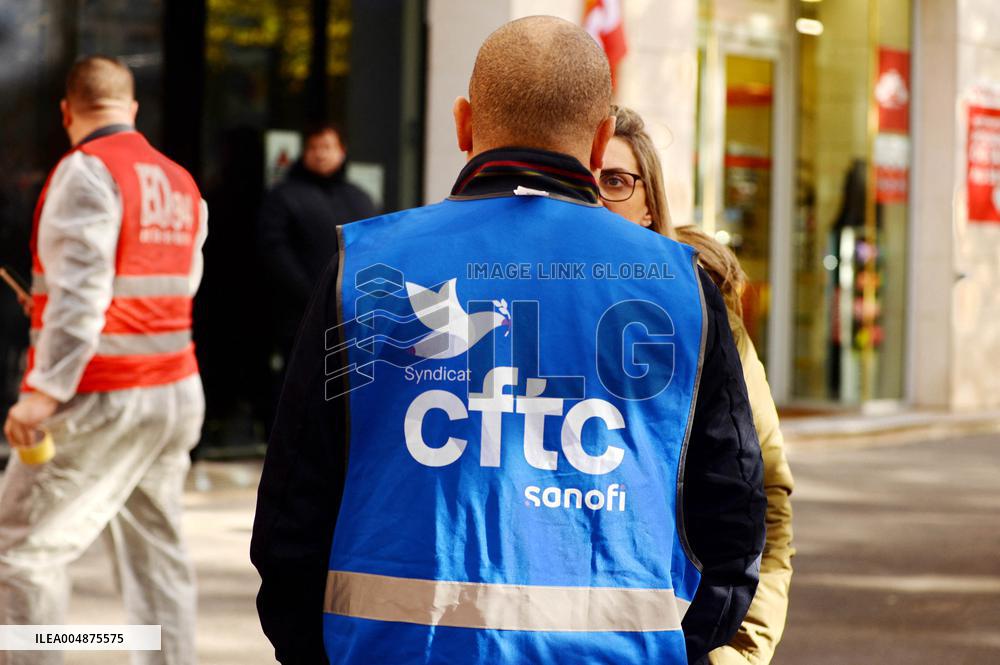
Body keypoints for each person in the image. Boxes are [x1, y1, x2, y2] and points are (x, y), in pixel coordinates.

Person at [251, 16, 765, 665]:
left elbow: (291, 514)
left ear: (463, 124)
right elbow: (735, 522)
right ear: (601, 136)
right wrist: (678, 648)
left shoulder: (364, 267)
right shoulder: (680, 286)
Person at [0, 55, 207, 665]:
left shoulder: (86, 172)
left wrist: (42, 391)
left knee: (25, 553)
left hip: (104, 394)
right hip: (174, 390)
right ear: (132, 108)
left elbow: (82, 296)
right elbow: (174, 286)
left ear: (67, 111)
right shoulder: (179, 179)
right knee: (157, 555)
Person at [601, 105, 795, 665]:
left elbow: (764, 497)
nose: (596, 198)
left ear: (649, 205)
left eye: (616, 181)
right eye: (585, 180)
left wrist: (738, 650)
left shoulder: (703, 317)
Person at [258, 122, 376, 360]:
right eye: (313, 147)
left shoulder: (361, 199)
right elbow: (274, 250)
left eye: (327, 147)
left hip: (351, 317)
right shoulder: (283, 196)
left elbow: (375, 250)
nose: (320, 154)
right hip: (298, 319)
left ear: (342, 151)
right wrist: (312, 294)